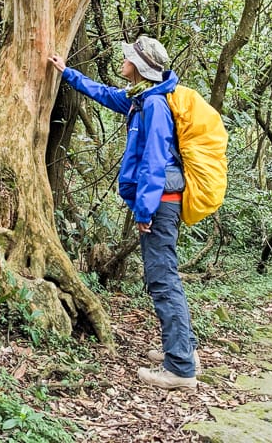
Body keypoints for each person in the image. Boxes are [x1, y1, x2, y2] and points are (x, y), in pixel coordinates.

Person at [49, 36, 200, 391]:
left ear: (141, 67)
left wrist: (145, 211)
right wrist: (67, 72)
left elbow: (154, 163)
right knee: (164, 278)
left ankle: (180, 369)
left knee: (163, 281)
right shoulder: (139, 100)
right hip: (159, 201)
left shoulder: (155, 107)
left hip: (161, 203)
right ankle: (184, 351)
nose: (123, 59)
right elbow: (105, 94)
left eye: (129, 57)